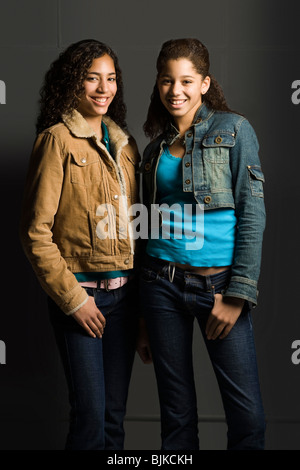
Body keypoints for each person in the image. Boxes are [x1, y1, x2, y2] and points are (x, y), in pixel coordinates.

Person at [139, 38, 266, 450]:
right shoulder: (153, 149)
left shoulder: (234, 130)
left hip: (218, 289)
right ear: (158, 85)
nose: (176, 91)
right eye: (166, 81)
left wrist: (237, 294)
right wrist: (142, 315)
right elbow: (147, 223)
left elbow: (252, 214)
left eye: (186, 81)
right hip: (160, 284)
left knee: (247, 419)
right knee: (176, 418)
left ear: (205, 83)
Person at [20, 39, 141, 450]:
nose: (103, 88)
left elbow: (136, 230)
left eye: (110, 79)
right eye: (92, 78)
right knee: (89, 422)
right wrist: (73, 300)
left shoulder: (126, 147)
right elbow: (36, 231)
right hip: (82, 300)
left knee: (114, 421)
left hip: (125, 303)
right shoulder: (56, 140)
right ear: (73, 83)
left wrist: (140, 309)